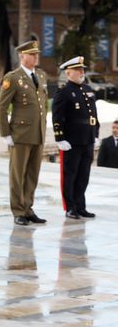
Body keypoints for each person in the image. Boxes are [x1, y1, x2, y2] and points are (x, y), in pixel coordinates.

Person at [0, 40, 49, 226]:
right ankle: (18, 210)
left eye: (37, 54)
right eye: (32, 54)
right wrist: (5, 133)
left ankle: (28, 208)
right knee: (17, 174)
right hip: (19, 134)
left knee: (32, 174)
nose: (36, 57)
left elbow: (44, 105)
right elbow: (2, 107)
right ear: (22, 56)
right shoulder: (13, 77)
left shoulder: (41, 76)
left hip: (37, 133)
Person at [52, 57, 100, 219]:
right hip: (71, 140)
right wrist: (60, 138)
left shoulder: (87, 89)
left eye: (82, 70)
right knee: (70, 174)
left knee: (83, 175)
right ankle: (70, 207)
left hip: (87, 138)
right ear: (68, 72)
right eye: (78, 70)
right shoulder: (64, 92)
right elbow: (57, 117)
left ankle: (80, 205)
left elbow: (94, 114)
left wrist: (96, 134)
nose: (82, 72)